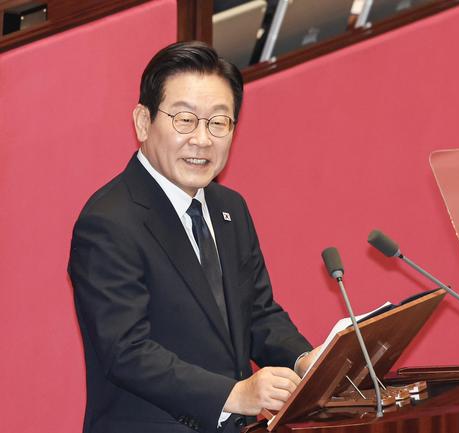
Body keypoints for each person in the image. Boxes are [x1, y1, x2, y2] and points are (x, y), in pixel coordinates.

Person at [69, 41, 319, 433]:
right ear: (143, 122)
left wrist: (305, 360)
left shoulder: (229, 207)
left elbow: (257, 313)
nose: (202, 139)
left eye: (219, 122)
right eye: (185, 119)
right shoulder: (108, 221)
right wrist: (234, 395)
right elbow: (126, 352)